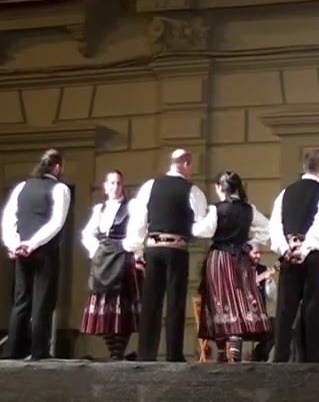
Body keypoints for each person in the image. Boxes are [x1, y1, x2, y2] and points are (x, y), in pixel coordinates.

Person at [124, 149, 209, 362]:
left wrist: (136, 249)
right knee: (175, 303)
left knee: (151, 302)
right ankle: (173, 354)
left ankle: (146, 353)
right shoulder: (192, 190)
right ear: (187, 164)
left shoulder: (150, 186)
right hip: (177, 249)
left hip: (153, 247)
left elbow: (139, 220)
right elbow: (200, 224)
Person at [0, 148, 71, 361]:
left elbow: (8, 218)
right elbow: (57, 222)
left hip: (21, 251)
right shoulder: (60, 189)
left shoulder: (21, 187)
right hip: (45, 252)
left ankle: (13, 351)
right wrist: (32, 244)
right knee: (43, 302)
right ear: (57, 167)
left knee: (21, 301)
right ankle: (38, 351)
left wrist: (13, 244)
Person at [194, 171, 271, 363]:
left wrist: (196, 220)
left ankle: (223, 353)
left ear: (219, 188)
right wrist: (252, 244)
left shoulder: (216, 210)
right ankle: (234, 347)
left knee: (220, 301)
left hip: (220, 258)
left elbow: (204, 231)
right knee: (240, 300)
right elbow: (268, 228)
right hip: (241, 259)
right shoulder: (248, 209)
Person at [270, 149, 319, 363]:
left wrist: (285, 249)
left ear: (304, 167)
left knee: (284, 310)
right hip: (312, 255)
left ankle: (280, 358)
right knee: (312, 308)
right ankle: (311, 360)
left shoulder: (285, 193)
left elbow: (275, 226)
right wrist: (305, 249)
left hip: (288, 253)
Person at [79, 170, 138, 361]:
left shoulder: (132, 207)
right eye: (111, 183)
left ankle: (117, 353)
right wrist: (95, 250)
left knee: (122, 308)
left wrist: (127, 248)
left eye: (118, 183)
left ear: (123, 186)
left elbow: (137, 231)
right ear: (105, 187)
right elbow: (87, 233)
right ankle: (114, 352)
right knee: (104, 309)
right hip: (103, 259)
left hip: (122, 258)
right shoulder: (99, 209)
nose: (115, 187)